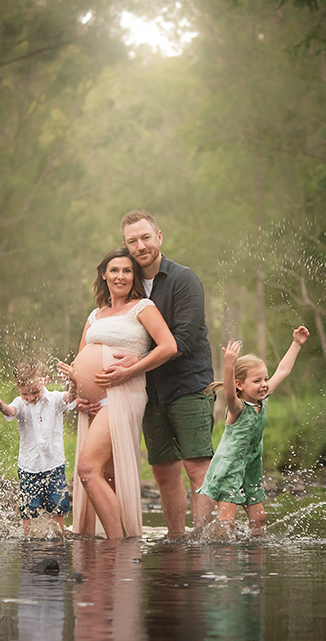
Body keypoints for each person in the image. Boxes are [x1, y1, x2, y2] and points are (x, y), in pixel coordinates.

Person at [89, 210, 216, 537]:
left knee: (196, 466)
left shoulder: (183, 279)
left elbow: (182, 341)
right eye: (133, 241)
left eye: (146, 237)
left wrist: (134, 362)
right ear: (125, 245)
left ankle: (203, 541)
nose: (141, 245)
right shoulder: (128, 283)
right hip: (149, 391)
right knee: (162, 471)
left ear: (159, 237)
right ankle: (176, 539)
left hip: (189, 386)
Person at [59, 247, 177, 538]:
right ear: (104, 274)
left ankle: (118, 543)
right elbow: (80, 359)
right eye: (114, 270)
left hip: (124, 396)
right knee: (105, 475)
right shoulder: (95, 315)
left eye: (127, 270)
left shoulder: (143, 307)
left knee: (87, 469)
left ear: (133, 276)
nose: (120, 276)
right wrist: (78, 394)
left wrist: (132, 367)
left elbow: (168, 346)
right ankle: (108, 544)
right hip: (94, 403)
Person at [198, 326, 310, 536]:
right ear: (240, 384)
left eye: (265, 379)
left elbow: (283, 371)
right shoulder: (237, 407)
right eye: (257, 381)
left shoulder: (263, 399)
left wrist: (296, 344)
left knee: (259, 519)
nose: (264, 384)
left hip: (251, 467)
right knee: (227, 522)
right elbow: (229, 393)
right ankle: (220, 555)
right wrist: (229, 364)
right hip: (230, 467)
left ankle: (253, 559)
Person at [0, 359, 76, 536]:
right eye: (25, 394)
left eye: (35, 392)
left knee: (58, 504)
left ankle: (58, 535)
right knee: (29, 507)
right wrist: (1, 405)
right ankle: (27, 536)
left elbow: (70, 397)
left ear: (44, 380)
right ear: (18, 387)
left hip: (54, 463)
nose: (31, 398)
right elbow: (10, 411)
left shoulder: (54, 399)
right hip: (29, 466)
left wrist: (74, 382)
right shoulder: (20, 403)